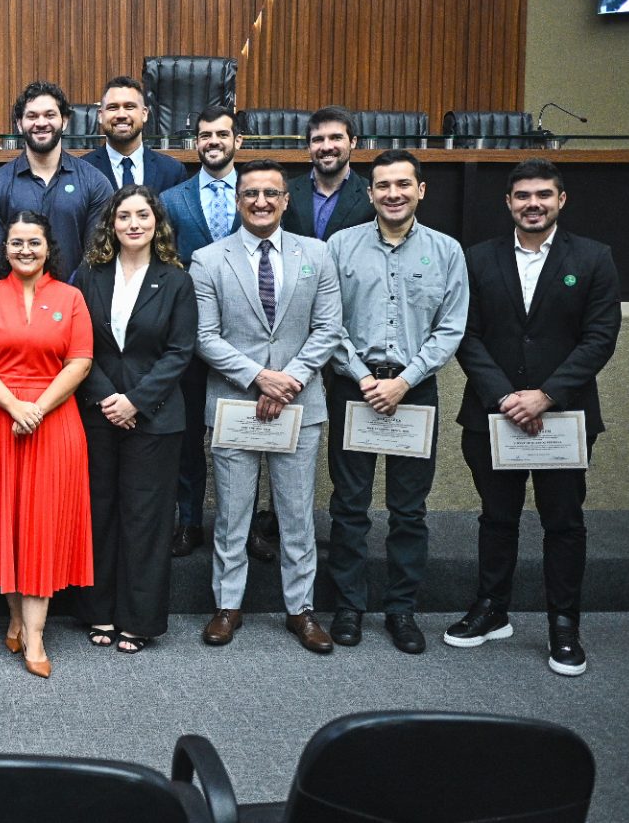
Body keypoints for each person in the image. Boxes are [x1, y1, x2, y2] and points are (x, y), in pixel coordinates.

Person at [445, 159, 621, 677]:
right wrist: (505, 397)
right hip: (493, 417)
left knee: (563, 523)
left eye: (544, 194)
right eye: (522, 195)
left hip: (562, 419)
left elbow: (599, 338)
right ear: (508, 203)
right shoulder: (478, 259)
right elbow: (466, 334)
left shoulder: (593, 258)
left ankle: (563, 625)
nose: (533, 204)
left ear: (561, 200)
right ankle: (491, 609)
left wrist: (545, 395)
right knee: (496, 518)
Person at [188, 158, 344, 655]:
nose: (260, 202)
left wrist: (289, 381)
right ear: (237, 200)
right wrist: (259, 378)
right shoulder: (208, 259)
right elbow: (204, 337)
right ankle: (227, 605)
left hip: (300, 405)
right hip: (237, 403)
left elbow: (328, 329)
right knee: (232, 514)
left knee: (297, 514)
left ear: (285, 200)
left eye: (270, 194)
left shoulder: (317, 255)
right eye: (251, 193)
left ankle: (301, 610)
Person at [324, 151, 469, 654]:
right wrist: (364, 377)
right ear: (369, 193)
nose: (393, 193)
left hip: (414, 392)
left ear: (421, 190)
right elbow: (330, 322)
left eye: (403, 184)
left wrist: (404, 381)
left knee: (409, 510)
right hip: (354, 389)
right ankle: (348, 605)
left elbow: (451, 328)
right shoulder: (340, 246)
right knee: (350, 506)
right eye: (383, 185)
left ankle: (401, 610)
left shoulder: (447, 251)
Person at [0, 211, 94, 679]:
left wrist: (36, 408)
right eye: (16, 243)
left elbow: (79, 362)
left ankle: (35, 634)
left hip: (54, 422)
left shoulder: (71, 297)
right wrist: (15, 406)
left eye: (33, 242)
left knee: (40, 525)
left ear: (47, 246)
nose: (25, 251)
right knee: (7, 523)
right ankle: (16, 616)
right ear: (6, 249)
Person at [72, 186, 197, 654]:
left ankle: (138, 620)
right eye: (123, 216)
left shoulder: (176, 280)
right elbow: (79, 343)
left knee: (145, 520)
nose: (133, 224)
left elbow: (180, 352)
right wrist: (109, 398)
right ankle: (99, 612)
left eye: (142, 215)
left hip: (156, 419)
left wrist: (136, 402)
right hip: (99, 414)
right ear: (111, 224)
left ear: (157, 222)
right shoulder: (89, 276)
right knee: (100, 513)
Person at [158, 106, 246, 560]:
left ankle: (247, 526)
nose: (213, 141)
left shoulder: (260, 192)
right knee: (190, 434)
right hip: (191, 336)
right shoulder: (173, 199)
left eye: (222, 134)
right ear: (196, 143)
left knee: (248, 435)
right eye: (205, 135)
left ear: (239, 142)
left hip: (249, 336)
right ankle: (189, 520)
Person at [0, 81, 114, 275]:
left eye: (49, 115)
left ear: (64, 121)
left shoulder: (95, 183)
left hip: (75, 301)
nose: (41, 123)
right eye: (32, 116)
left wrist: (63, 296)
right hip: (13, 302)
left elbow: (97, 256)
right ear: (20, 124)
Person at [80, 75, 187, 193]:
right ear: (100, 115)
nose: (121, 115)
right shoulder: (81, 170)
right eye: (113, 107)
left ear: (144, 114)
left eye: (129, 107)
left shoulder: (172, 171)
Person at [282, 106, 374, 241]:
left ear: (353, 142)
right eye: (318, 139)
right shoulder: (285, 192)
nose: (326, 147)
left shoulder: (371, 196)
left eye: (336, 138)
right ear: (308, 147)